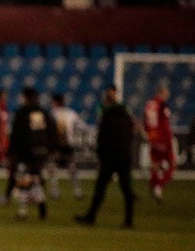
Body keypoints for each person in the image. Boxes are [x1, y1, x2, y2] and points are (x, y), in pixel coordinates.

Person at [76, 85, 136, 228]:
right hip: (124, 156)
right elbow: (130, 136)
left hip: (110, 158)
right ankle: (129, 220)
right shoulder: (126, 116)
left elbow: (101, 139)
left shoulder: (107, 116)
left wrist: (101, 156)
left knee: (100, 189)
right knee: (126, 190)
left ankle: (91, 217)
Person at [8, 86, 56, 220]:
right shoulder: (44, 112)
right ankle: (42, 207)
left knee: (24, 179)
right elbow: (52, 130)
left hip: (27, 150)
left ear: (25, 97)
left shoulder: (22, 112)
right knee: (34, 178)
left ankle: (23, 211)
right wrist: (50, 148)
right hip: (41, 151)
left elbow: (16, 134)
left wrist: (11, 152)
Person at [47, 93, 88, 200]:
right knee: (71, 168)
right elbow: (83, 126)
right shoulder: (70, 113)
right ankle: (77, 191)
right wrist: (74, 135)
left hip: (56, 145)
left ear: (55, 102)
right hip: (67, 145)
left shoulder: (51, 114)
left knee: (53, 168)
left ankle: (55, 192)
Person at [143, 83, 175, 203]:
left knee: (155, 165)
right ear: (161, 93)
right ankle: (157, 187)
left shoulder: (149, 104)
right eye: (166, 94)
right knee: (172, 165)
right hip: (163, 139)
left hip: (152, 138)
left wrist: (149, 135)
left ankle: (153, 185)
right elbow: (165, 125)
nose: (167, 96)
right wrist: (168, 140)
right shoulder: (162, 106)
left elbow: (146, 123)